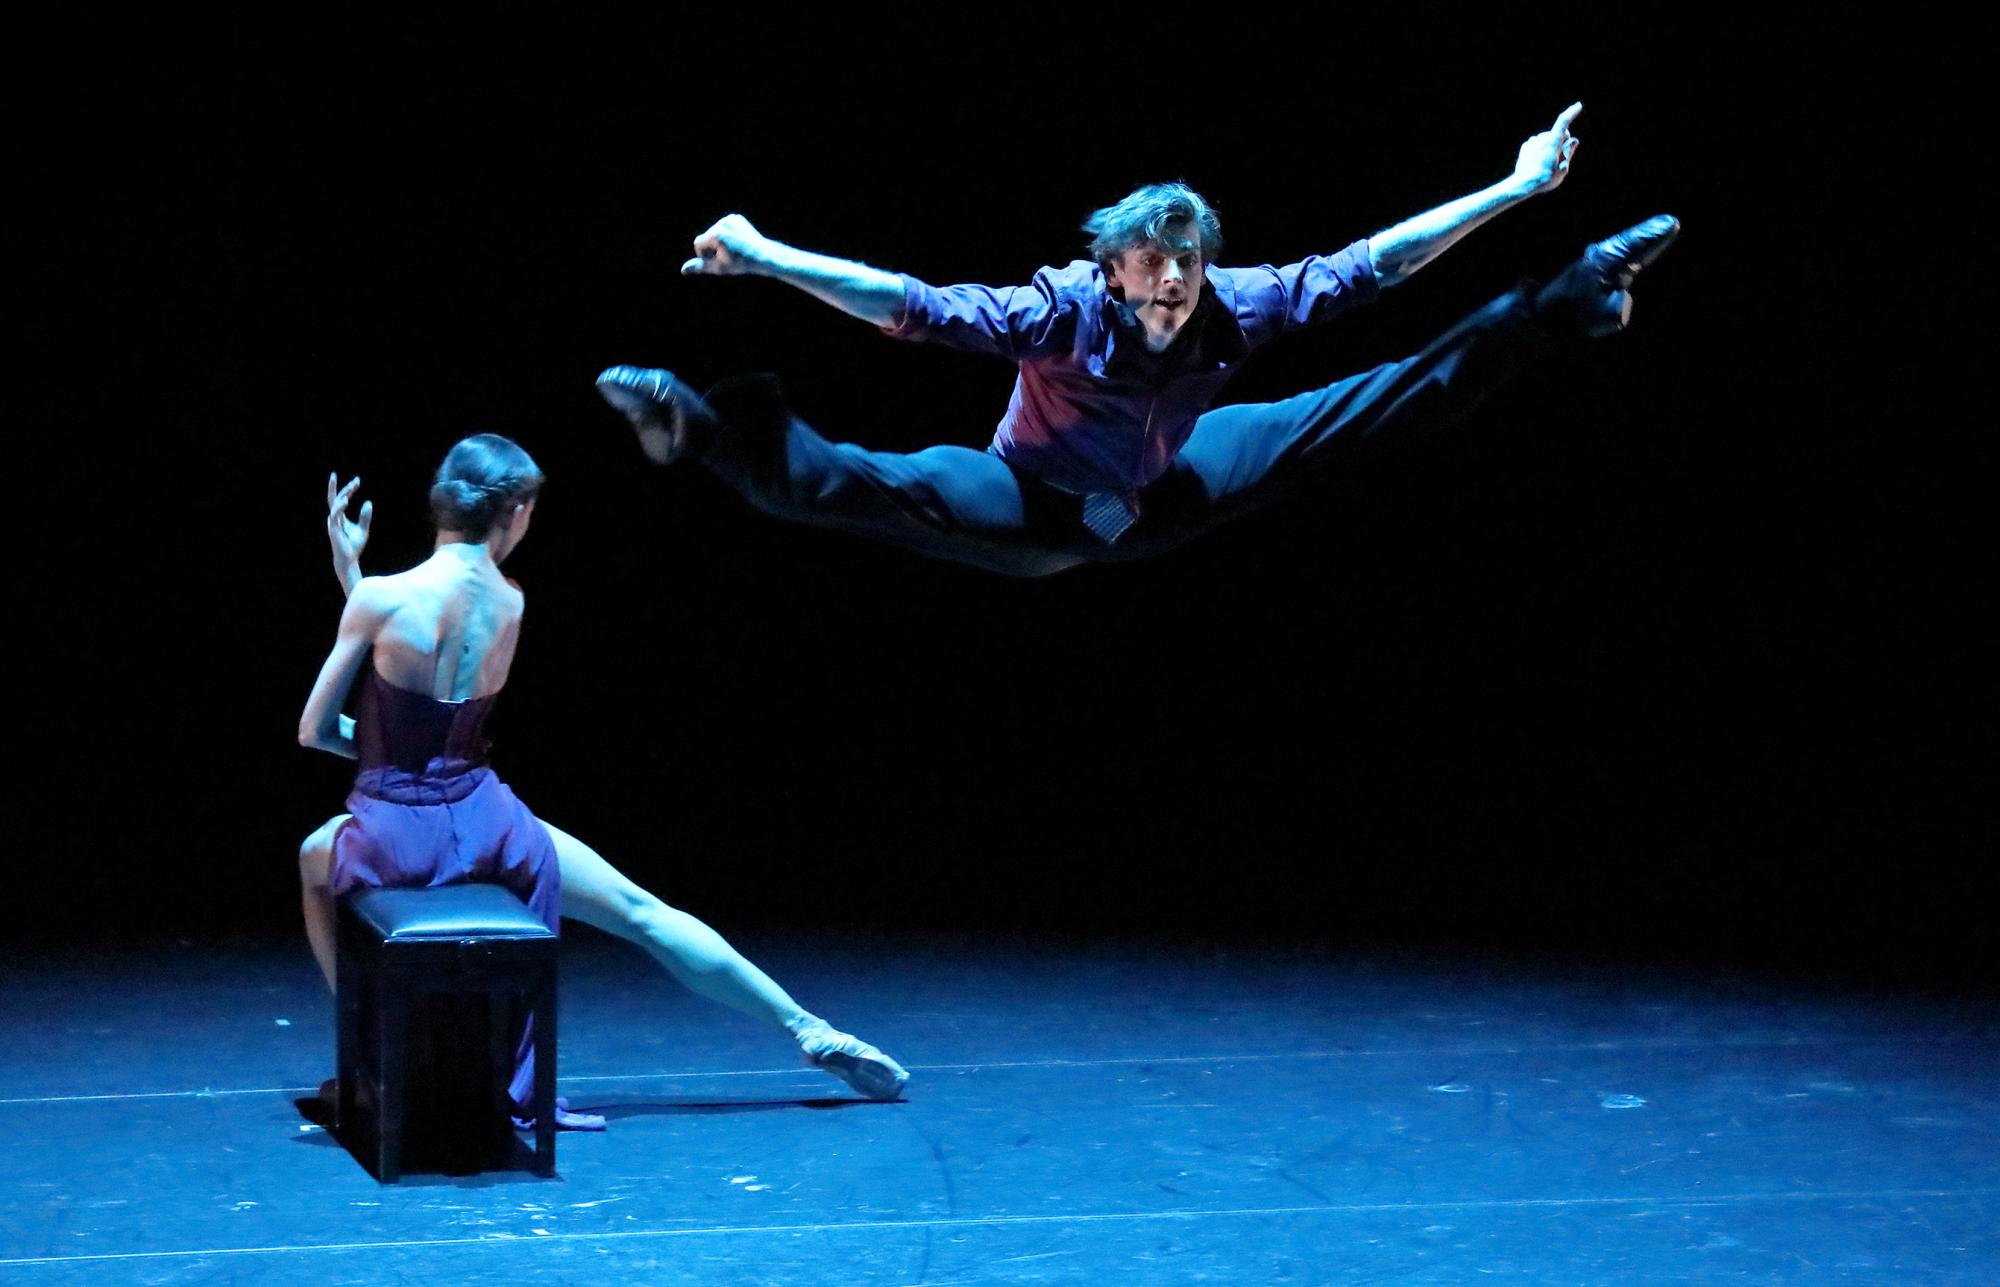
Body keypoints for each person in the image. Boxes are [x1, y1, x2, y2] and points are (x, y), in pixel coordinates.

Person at [595, 103, 1678, 576]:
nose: (1170, 284)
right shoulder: (1055, 312)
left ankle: (1572, 295)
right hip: (1030, 498)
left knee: (1382, 397)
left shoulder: (1233, 302)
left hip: (1164, 487)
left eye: (1185, 264)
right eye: (1150, 267)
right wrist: (768, 252)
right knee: (859, 484)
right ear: (1112, 269)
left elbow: (1373, 263)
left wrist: (1515, 186)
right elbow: (909, 304)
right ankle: (690, 428)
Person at [296, 435, 909, 1128]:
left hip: (396, 835)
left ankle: (372, 1061)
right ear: (517, 511)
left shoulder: (381, 597)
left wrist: (354, 583)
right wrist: (360, 590)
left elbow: (318, 729)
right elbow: (433, 709)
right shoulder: (511, 600)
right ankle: (806, 1026)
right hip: (490, 823)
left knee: (314, 862)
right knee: (639, 910)